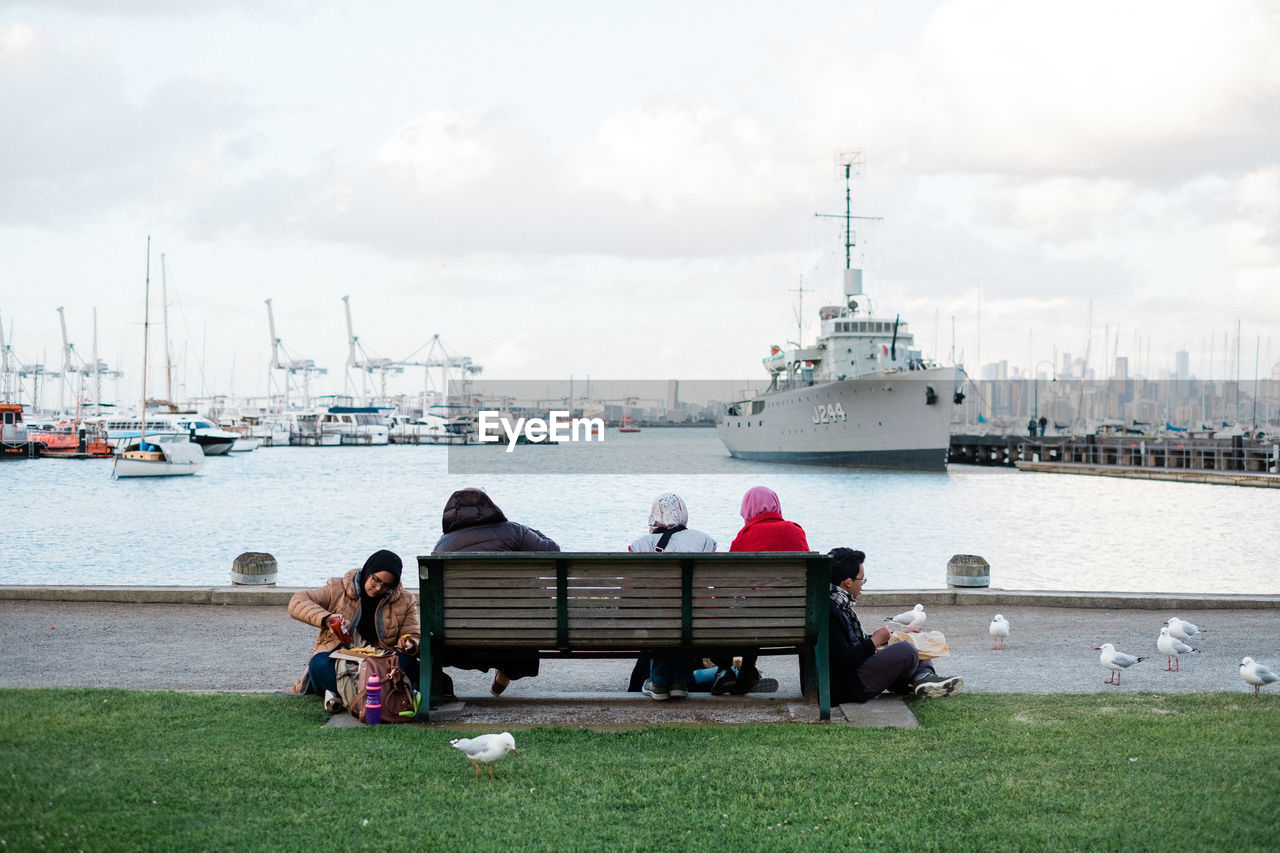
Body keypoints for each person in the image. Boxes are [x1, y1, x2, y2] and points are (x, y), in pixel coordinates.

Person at [432, 487, 559, 696]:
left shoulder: (442, 545)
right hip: (517, 629)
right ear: (490, 507)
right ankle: (507, 671)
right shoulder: (514, 531)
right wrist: (530, 531)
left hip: (462, 632)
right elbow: (552, 551)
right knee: (524, 613)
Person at [286, 549, 420, 711]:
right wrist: (327, 618)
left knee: (408, 662)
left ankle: (344, 694)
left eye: (386, 586)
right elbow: (297, 601)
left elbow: (413, 634)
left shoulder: (405, 600)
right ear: (367, 572)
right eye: (375, 580)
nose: (378, 588)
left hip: (381, 660)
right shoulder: (337, 588)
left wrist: (410, 643)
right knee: (318, 663)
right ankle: (379, 693)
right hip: (341, 658)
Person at [827, 547, 962, 702]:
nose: (863, 584)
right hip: (847, 686)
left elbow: (849, 645)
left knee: (913, 640)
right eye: (861, 579)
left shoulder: (838, 604)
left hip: (854, 675)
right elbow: (845, 661)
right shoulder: (831, 611)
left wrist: (895, 636)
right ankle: (922, 679)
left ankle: (924, 678)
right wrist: (874, 641)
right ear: (848, 582)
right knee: (907, 649)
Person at [712, 485, 811, 695]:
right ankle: (748, 671)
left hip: (756, 619)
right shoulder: (795, 531)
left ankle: (727, 670)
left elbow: (727, 586)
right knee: (757, 608)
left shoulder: (744, 537)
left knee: (742, 610)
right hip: (796, 619)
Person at [626, 492, 716, 701]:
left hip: (657, 623)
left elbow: (627, 593)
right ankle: (678, 682)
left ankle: (658, 683)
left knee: (662, 619)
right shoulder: (705, 541)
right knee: (684, 619)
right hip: (696, 621)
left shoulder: (641, 544)